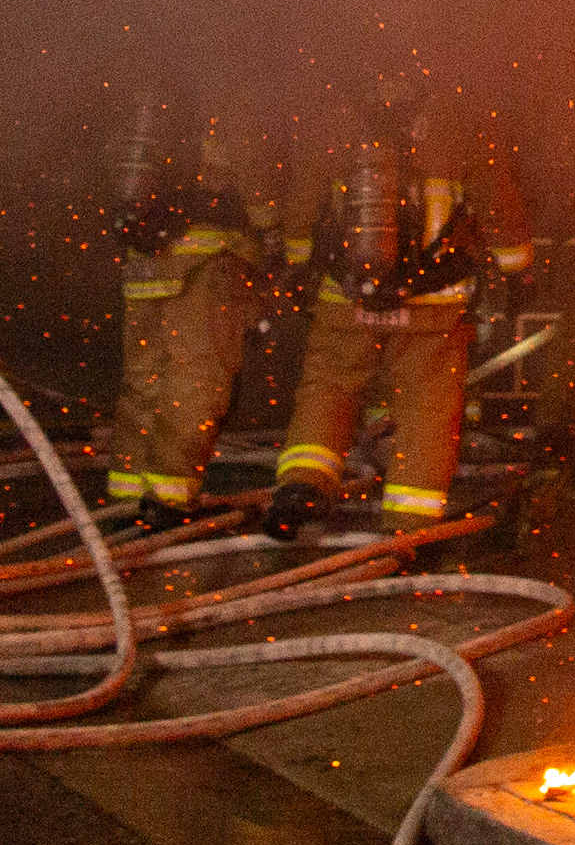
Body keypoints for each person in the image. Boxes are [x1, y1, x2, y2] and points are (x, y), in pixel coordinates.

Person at [274, 82, 531, 534]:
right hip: (433, 303)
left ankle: (302, 485)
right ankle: (409, 520)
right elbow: (497, 202)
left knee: (328, 388)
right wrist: (516, 267)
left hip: (346, 297)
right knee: (427, 407)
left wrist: (299, 262)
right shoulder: (460, 119)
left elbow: (304, 199)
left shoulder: (337, 118)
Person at [105, 80, 296, 518]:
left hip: (146, 257)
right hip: (206, 260)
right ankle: (169, 497)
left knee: (145, 378)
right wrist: (273, 233)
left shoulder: (150, 97)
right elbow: (256, 172)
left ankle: (127, 493)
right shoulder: (232, 96)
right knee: (198, 379)